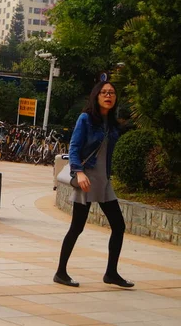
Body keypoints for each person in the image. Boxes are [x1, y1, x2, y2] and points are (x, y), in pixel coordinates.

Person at [54, 81, 134, 288]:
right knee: (77, 227)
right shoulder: (86, 118)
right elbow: (74, 147)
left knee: (119, 226)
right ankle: (61, 272)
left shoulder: (112, 123)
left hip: (103, 181)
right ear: (96, 96)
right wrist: (78, 172)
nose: (108, 96)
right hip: (86, 180)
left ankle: (111, 273)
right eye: (104, 92)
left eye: (112, 93)